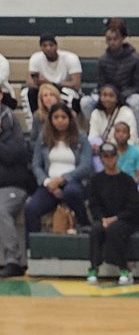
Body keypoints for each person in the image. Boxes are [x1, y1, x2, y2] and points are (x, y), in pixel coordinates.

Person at [25, 102, 92, 242]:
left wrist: (63, 179)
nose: (60, 120)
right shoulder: (43, 138)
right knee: (31, 208)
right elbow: (36, 164)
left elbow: (86, 166)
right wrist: (48, 182)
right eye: (56, 117)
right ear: (51, 120)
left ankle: (85, 225)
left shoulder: (81, 138)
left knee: (71, 192)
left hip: (74, 182)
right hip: (49, 184)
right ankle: (34, 249)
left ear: (69, 119)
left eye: (63, 117)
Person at [86, 141, 139, 286]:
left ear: (116, 157)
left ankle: (124, 269)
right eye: (105, 156)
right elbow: (94, 205)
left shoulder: (127, 180)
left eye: (111, 156)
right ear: (101, 158)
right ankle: (93, 267)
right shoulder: (96, 180)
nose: (109, 159)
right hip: (104, 219)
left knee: (114, 230)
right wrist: (102, 218)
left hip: (125, 220)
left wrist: (115, 218)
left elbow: (133, 207)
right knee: (96, 230)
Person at [81, 18, 139, 135]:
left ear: (122, 39)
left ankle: (133, 136)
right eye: (108, 39)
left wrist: (120, 96)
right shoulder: (102, 60)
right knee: (86, 102)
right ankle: (97, 132)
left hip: (128, 95)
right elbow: (101, 84)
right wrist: (108, 95)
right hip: (108, 94)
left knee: (136, 102)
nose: (112, 42)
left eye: (115, 39)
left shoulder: (136, 59)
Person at [0, 100, 34, 278]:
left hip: (11, 186)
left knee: (1, 210)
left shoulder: (14, 130)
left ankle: (13, 260)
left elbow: (12, 156)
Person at [24, 34, 83, 115]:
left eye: (51, 45)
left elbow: (76, 85)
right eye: (44, 45)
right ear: (41, 47)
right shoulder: (35, 58)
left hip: (64, 90)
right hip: (44, 89)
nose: (48, 48)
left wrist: (50, 83)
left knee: (71, 96)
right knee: (28, 92)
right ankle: (36, 121)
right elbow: (30, 82)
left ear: (56, 46)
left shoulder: (71, 58)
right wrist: (40, 84)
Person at [87, 83, 138, 147]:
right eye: (104, 95)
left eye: (111, 96)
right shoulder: (96, 113)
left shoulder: (127, 113)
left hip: (122, 150)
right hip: (102, 151)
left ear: (117, 98)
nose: (107, 99)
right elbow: (92, 137)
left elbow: (132, 140)